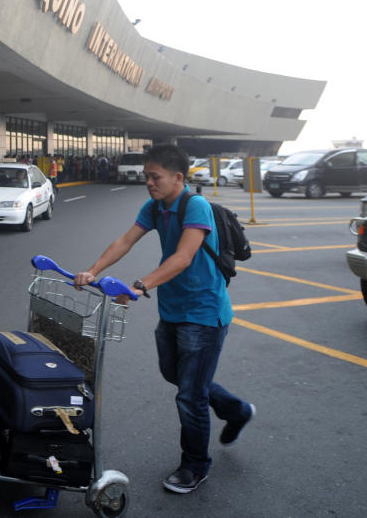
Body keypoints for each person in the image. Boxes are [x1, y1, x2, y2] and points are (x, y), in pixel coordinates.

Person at [72, 143, 254, 495]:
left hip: (203, 314)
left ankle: (195, 465)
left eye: (155, 177)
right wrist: (92, 270)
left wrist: (141, 286)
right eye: (146, 177)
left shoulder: (195, 206)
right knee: (176, 375)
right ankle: (237, 410)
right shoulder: (155, 207)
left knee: (190, 395)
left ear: (177, 177)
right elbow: (126, 239)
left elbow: (184, 257)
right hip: (172, 309)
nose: (149, 183)